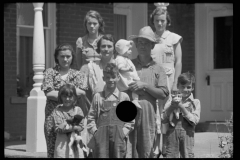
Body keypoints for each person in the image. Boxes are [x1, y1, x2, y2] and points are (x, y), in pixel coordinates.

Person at [127, 26, 169, 158]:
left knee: (146, 150)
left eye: (146, 43)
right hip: (128, 113)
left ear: (152, 45)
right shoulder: (128, 64)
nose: (142, 45)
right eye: (140, 42)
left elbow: (163, 94)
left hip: (148, 114)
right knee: (128, 149)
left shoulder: (158, 68)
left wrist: (145, 86)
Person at [41, 43, 88, 158]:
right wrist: (71, 93)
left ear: (72, 57)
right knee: (54, 151)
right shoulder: (49, 72)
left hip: (74, 119)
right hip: (53, 118)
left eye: (68, 56)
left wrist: (59, 93)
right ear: (57, 57)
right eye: (62, 56)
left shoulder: (79, 74)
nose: (65, 59)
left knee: (74, 150)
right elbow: (49, 93)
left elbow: (82, 92)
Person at [150, 3, 183, 157]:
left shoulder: (173, 38)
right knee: (155, 111)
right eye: (157, 20)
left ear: (167, 21)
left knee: (168, 111)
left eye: (162, 20)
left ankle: (168, 147)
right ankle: (156, 148)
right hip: (154, 79)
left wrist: (176, 82)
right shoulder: (150, 37)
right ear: (153, 21)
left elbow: (178, 61)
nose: (160, 23)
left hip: (169, 80)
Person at [79, 34, 116, 157]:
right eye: (103, 46)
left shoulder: (121, 65)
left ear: (114, 48)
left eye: (109, 46)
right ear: (98, 49)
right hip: (97, 117)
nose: (106, 49)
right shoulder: (90, 68)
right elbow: (82, 92)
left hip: (117, 117)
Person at [87, 62, 135, 158]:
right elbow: (91, 118)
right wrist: (96, 133)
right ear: (103, 78)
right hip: (101, 138)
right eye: (107, 77)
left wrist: (123, 133)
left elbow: (130, 120)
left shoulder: (124, 97)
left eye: (113, 77)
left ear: (118, 77)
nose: (110, 80)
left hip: (119, 138)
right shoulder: (98, 96)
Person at [161, 72, 201, 158]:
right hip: (172, 134)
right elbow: (163, 119)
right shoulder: (171, 99)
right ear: (178, 86)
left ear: (193, 88)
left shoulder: (195, 102)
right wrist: (172, 107)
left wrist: (181, 107)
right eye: (182, 87)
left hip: (187, 136)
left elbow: (194, 121)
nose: (185, 89)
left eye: (188, 87)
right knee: (171, 155)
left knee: (187, 155)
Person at [52, 84, 86, 158]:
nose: (67, 99)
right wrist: (75, 127)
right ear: (60, 97)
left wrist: (65, 124)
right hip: (62, 146)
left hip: (76, 145)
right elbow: (59, 129)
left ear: (74, 97)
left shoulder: (78, 110)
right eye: (64, 96)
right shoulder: (57, 111)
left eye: (70, 96)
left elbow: (81, 126)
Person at [115, 39, 141, 109]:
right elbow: (121, 68)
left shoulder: (126, 58)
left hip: (130, 78)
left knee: (135, 88)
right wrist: (128, 69)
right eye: (129, 49)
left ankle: (135, 100)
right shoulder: (119, 59)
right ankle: (134, 100)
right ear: (122, 50)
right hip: (126, 80)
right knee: (133, 89)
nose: (131, 51)